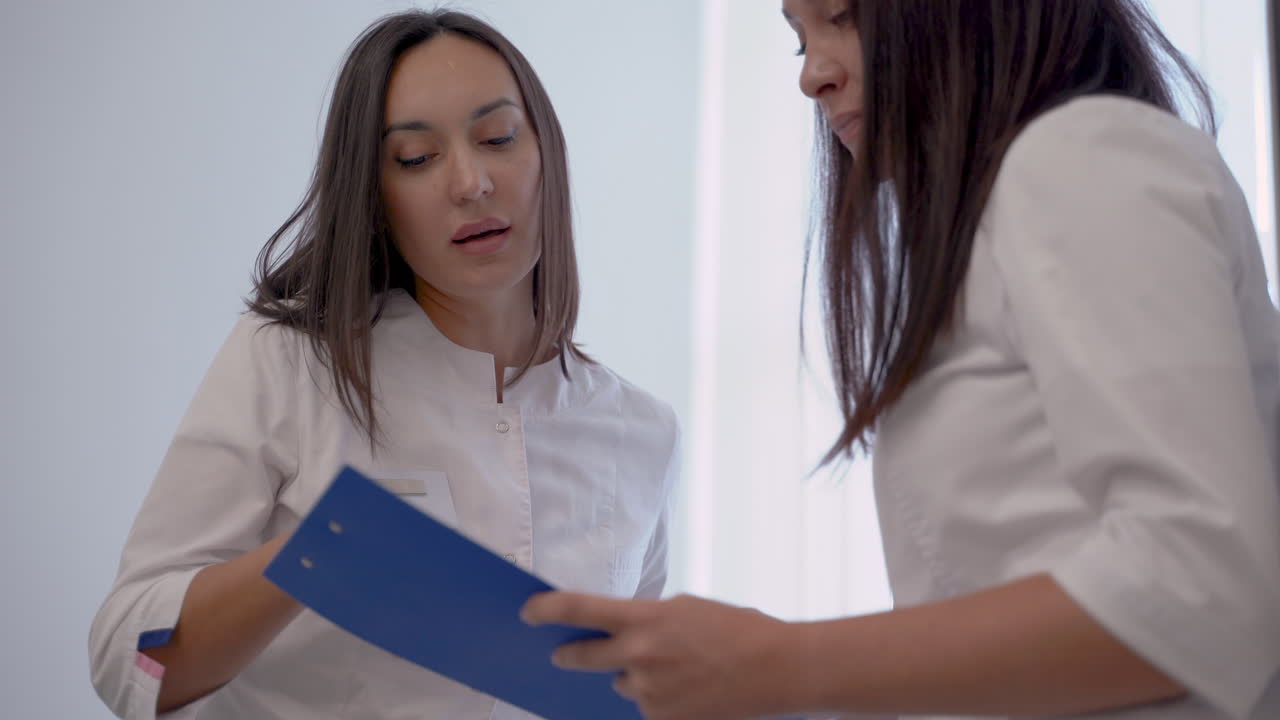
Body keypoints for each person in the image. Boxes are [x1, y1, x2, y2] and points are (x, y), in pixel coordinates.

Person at [521, 1, 1280, 719]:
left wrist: (780, 662)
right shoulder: (1003, 218)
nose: (810, 73)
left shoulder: (1080, 158)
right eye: (799, 36)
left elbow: (1205, 587)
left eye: (844, 19)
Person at [88, 9, 679, 720]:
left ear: (547, 151)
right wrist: (310, 558)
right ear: (375, 197)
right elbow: (129, 659)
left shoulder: (642, 433)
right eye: (416, 159)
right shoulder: (290, 362)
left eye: (497, 139)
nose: (471, 182)